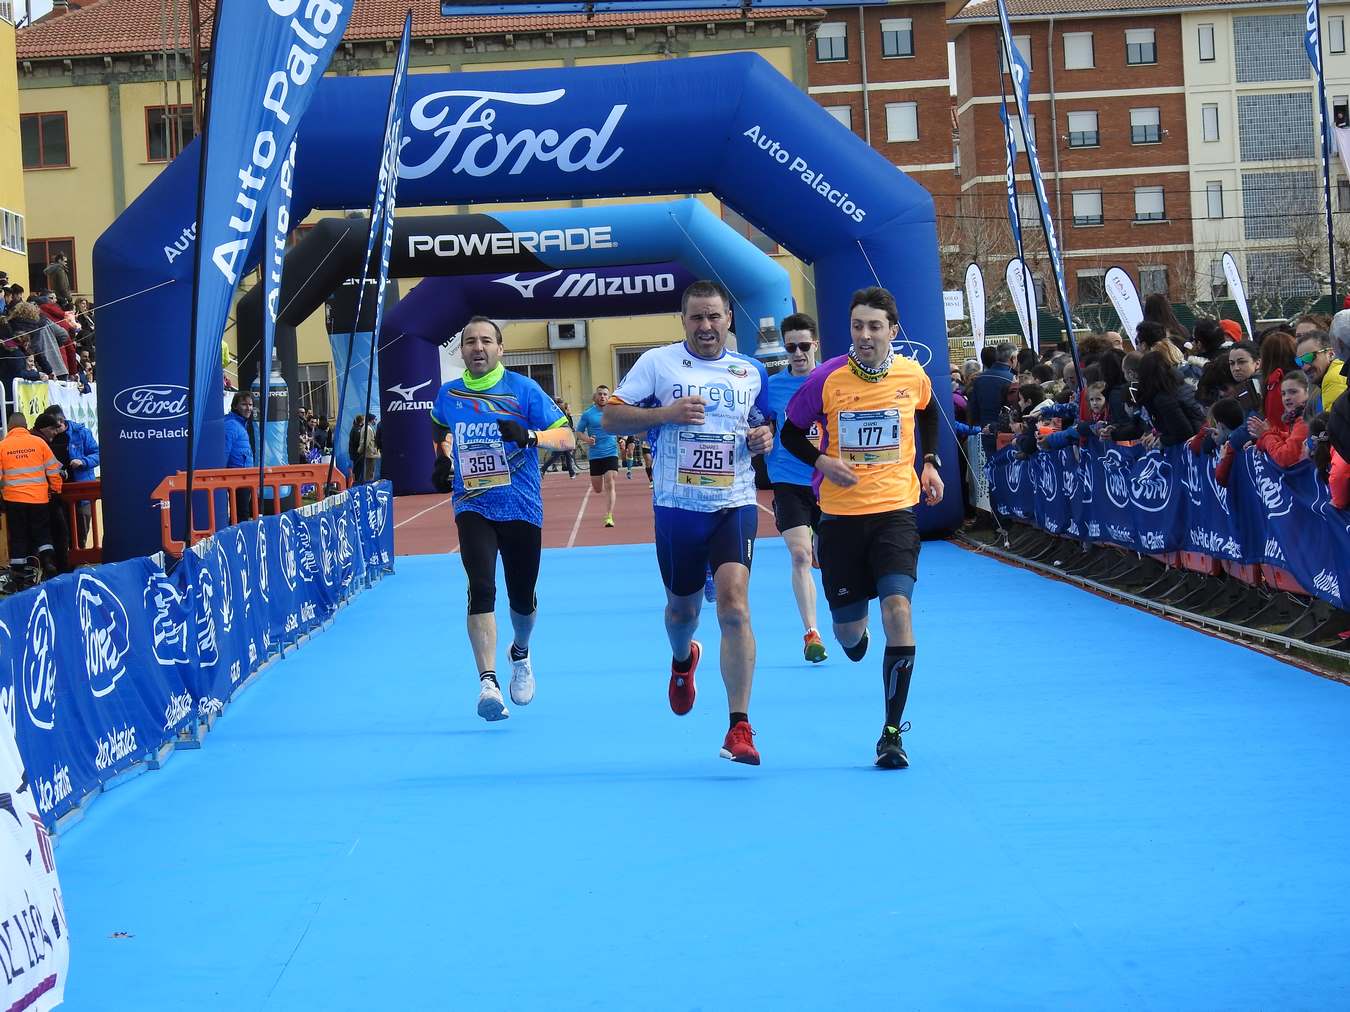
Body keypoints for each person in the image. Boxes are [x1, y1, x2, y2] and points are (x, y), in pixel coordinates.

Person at [602, 280, 773, 765]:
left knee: (735, 608)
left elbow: (766, 423)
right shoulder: (658, 363)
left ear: (728, 320)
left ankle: (739, 726)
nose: (706, 326)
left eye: (714, 317)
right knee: (682, 613)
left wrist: (763, 436)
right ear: (683, 320)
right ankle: (683, 660)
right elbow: (610, 419)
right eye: (696, 317)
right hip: (678, 509)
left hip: (734, 504)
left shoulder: (749, 371)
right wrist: (665, 414)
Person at [780, 286, 943, 770]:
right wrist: (823, 461)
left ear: (893, 330)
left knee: (898, 607)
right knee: (849, 638)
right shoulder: (827, 379)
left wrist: (929, 463)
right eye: (857, 326)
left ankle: (892, 732)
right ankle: (857, 636)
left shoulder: (911, 373)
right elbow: (791, 432)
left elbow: (929, 410)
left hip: (895, 510)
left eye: (875, 326)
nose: (866, 335)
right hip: (841, 519)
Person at [429, 316, 575, 722]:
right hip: (472, 502)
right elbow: (440, 429)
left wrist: (531, 436)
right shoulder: (449, 394)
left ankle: (521, 652)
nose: (478, 348)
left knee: (521, 599)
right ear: (462, 350)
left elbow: (567, 437)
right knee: (480, 584)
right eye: (470, 342)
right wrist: (442, 460)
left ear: (500, 349)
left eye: (486, 341)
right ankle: (488, 682)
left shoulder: (523, 390)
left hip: (521, 505)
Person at [762, 311, 828, 663]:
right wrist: (761, 436)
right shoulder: (771, 387)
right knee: (801, 555)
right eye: (791, 348)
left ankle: (851, 618)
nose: (798, 353)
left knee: (832, 560)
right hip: (787, 481)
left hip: (829, 482)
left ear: (815, 344)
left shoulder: (832, 378)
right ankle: (811, 633)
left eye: (804, 346)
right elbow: (759, 424)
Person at [0, 413, 62, 585]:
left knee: (19, 536)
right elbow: (53, 470)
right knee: (42, 534)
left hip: (14, 500)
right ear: (26, 426)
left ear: (10, 427)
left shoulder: (3, 446)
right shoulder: (39, 442)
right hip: (39, 499)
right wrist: (56, 490)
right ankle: (48, 562)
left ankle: (19, 573)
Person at [43, 404, 97, 546]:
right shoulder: (45, 436)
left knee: (81, 532)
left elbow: (98, 454)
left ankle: (79, 561)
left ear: (62, 421)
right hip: (56, 492)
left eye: (54, 426)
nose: (53, 431)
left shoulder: (82, 432)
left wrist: (83, 461)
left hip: (80, 490)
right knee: (59, 532)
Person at [574, 384, 621, 527]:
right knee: (598, 488)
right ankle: (607, 512)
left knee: (610, 481)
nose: (602, 397)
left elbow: (622, 427)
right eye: (600, 394)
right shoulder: (588, 414)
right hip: (595, 455)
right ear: (596, 397)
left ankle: (609, 516)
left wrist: (623, 439)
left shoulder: (614, 412)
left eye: (605, 394)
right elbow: (579, 432)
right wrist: (587, 440)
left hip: (611, 452)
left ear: (609, 397)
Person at [1296, 329, 1345, 414]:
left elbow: (1334, 424)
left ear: (1330, 354)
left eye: (1309, 357)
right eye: (1300, 361)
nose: (1305, 367)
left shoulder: (1333, 378)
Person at [225, 392, 256, 520]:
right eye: (244, 404)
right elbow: (224, 451)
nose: (248, 408)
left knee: (242, 513)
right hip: (237, 477)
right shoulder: (231, 424)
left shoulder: (240, 424)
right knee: (241, 514)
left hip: (243, 476)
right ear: (235, 406)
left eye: (250, 404)